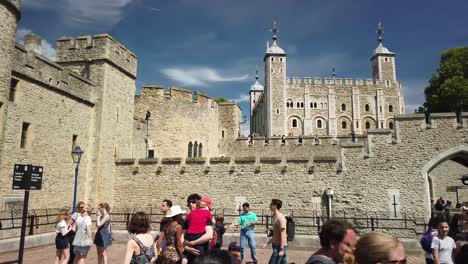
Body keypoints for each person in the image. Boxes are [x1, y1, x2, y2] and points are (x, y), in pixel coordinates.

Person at [184, 196, 214, 263]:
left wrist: (192, 243)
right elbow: (181, 238)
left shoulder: (206, 218)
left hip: (201, 250)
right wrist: (187, 247)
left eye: (193, 202)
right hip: (190, 250)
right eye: (189, 203)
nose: (191, 204)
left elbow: (209, 235)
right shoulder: (188, 219)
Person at [260, 199, 287, 264]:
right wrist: (266, 244)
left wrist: (281, 249)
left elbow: (283, 234)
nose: (270, 205)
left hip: (280, 246)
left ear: (275, 206)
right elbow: (275, 234)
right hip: (275, 245)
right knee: (283, 261)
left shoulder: (281, 218)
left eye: (271, 204)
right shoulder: (274, 217)